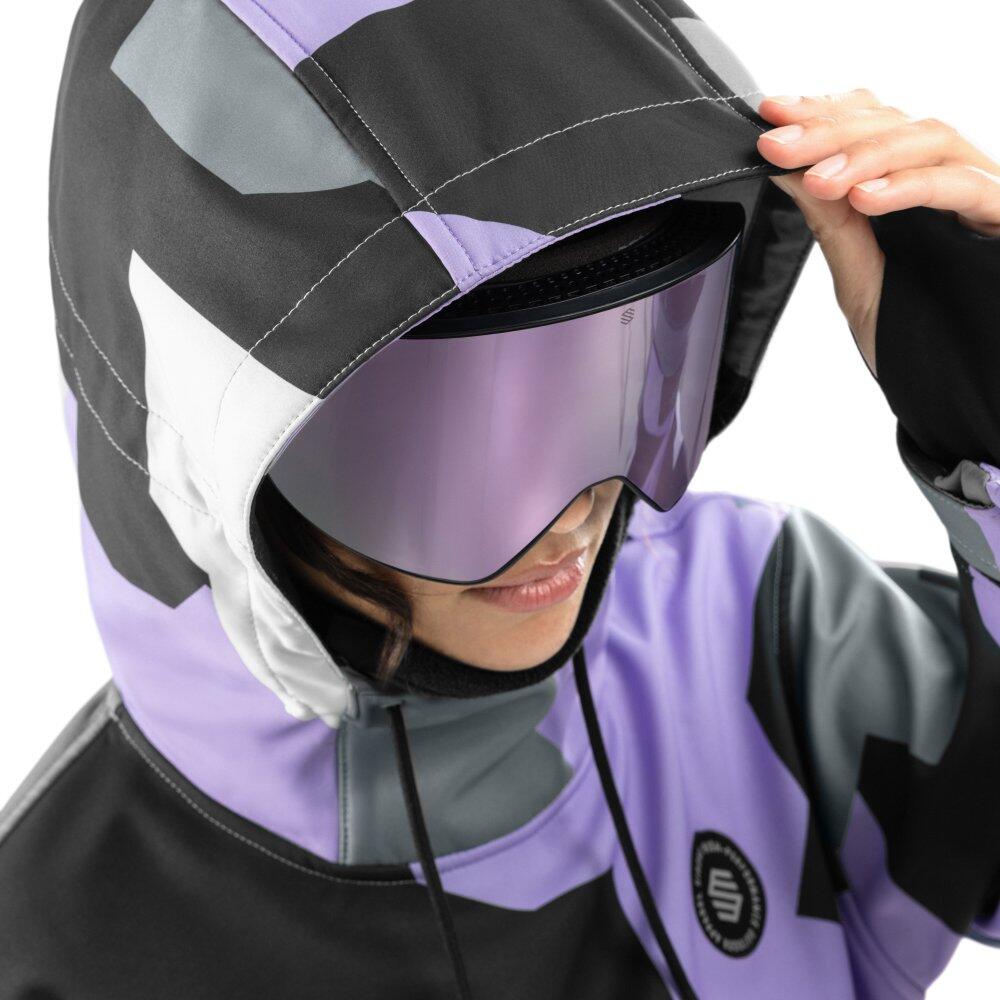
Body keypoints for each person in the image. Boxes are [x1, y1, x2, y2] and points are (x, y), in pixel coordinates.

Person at [1, 1, 998, 998]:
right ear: (217, 448)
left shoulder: (755, 635)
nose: (572, 517)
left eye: (616, 378)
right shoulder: (55, 954)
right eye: (450, 447)